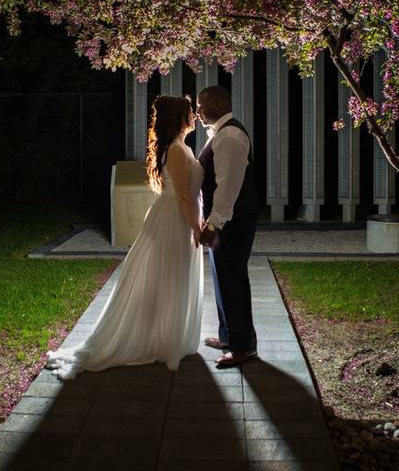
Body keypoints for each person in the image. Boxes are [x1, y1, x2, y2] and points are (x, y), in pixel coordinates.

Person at [46, 95, 204, 379]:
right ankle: (162, 341)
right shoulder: (178, 150)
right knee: (169, 276)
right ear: (179, 118)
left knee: (169, 278)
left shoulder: (180, 146)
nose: (194, 115)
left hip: (174, 216)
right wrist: (197, 228)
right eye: (190, 111)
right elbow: (182, 196)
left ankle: (166, 338)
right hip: (174, 220)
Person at [196, 86, 259, 368]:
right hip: (225, 220)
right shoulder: (221, 133)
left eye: (201, 105)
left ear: (219, 104)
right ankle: (228, 335)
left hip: (232, 221)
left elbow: (228, 187)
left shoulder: (230, 136)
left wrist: (213, 224)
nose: (197, 111)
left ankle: (243, 347)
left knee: (233, 279)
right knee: (223, 278)